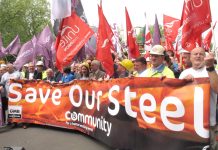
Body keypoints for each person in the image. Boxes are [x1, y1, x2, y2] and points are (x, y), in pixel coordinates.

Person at [179, 47, 218, 149]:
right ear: (190, 58)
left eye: (201, 54)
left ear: (205, 57)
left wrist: (210, 67)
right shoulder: (184, 73)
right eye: (195, 54)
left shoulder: (214, 71)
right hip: (188, 123)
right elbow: (177, 96)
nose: (198, 56)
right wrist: (183, 82)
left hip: (208, 123)